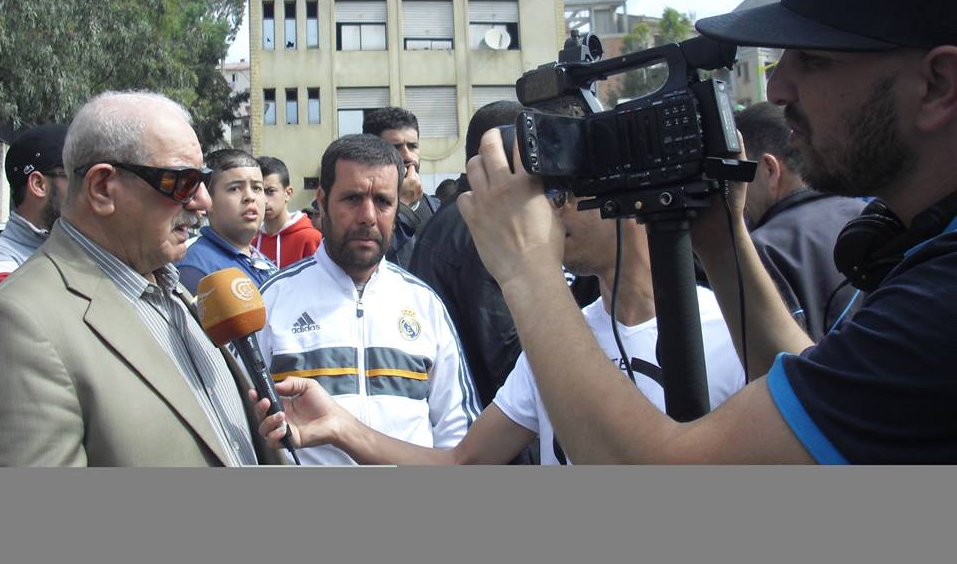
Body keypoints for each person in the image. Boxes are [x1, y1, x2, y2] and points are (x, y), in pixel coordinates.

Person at [455, 0, 957, 463]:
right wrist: (721, 239)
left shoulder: (939, 301)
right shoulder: (922, 254)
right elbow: (807, 398)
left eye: (815, 60)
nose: (777, 86)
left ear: (938, 85)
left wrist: (526, 272)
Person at [253, 186, 745, 465]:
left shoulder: (731, 336)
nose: (546, 213)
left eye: (563, 194)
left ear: (629, 201)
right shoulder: (555, 342)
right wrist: (341, 429)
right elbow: (463, 465)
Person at [0, 92, 283, 465]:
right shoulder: (22, 322)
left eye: (204, 180)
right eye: (182, 182)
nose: (203, 202)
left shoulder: (174, 288)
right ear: (102, 188)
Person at [257, 134, 481, 465]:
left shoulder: (425, 304)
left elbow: (457, 434)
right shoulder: (272, 301)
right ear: (321, 200)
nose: (368, 216)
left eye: (383, 201)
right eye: (352, 198)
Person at [409, 101, 526, 409]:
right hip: (491, 423)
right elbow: (505, 353)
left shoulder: (458, 214)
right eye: (527, 145)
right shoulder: (481, 223)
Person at [735, 102, 866, 341]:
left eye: (740, 176)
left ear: (769, 169)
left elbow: (775, 360)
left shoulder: (761, 249)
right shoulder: (870, 214)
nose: (739, 194)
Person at [177, 148, 277, 294]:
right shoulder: (194, 268)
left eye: (257, 188)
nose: (250, 197)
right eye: (235, 188)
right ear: (208, 199)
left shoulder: (255, 256)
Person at [362, 106, 440, 267]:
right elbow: (368, 261)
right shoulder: (360, 209)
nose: (407, 156)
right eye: (396, 147)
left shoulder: (437, 208)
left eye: (412, 146)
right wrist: (404, 206)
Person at [0, 124, 69, 285]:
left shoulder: (72, 252)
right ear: (38, 185)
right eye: (77, 177)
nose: (89, 190)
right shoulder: (4, 265)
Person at [254, 155, 322, 268]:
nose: (264, 200)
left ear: (288, 193)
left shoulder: (310, 238)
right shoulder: (251, 240)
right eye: (258, 191)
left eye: (270, 191)